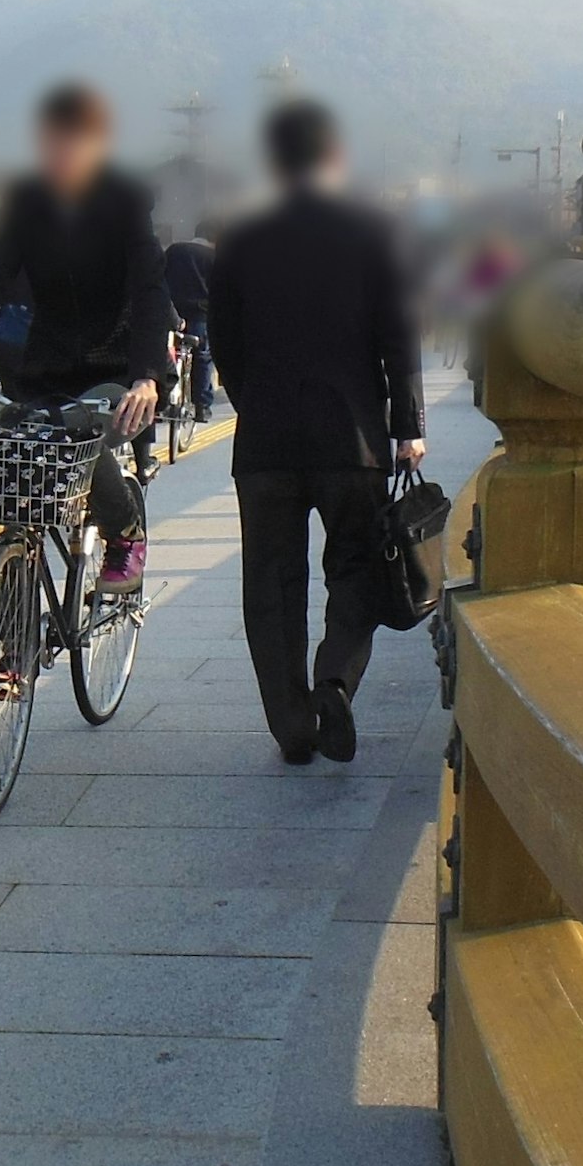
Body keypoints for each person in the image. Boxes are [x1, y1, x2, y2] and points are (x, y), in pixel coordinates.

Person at [208, 98, 425, 766]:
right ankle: (334, 679)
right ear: (334, 157)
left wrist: (254, 402)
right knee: (356, 567)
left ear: (274, 161)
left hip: (267, 441)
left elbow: (224, 340)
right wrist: (406, 428)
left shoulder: (240, 233)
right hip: (350, 437)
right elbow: (399, 336)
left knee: (271, 585)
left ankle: (293, 726)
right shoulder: (372, 229)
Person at [0, 83, 169, 591]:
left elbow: (150, 290)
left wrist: (148, 377)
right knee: (18, 482)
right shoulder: (27, 200)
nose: (58, 156)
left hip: (116, 369)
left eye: (71, 144)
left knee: (78, 434)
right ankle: (11, 651)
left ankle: (125, 533)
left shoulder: (125, 200)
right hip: (43, 364)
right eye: (49, 144)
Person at [160, 231, 218, 418]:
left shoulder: (174, 250)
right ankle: (202, 405)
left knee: (167, 354)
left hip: (173, 311)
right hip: (200, 314)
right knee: (202, 356)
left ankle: (167, 399)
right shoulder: (213, 257)